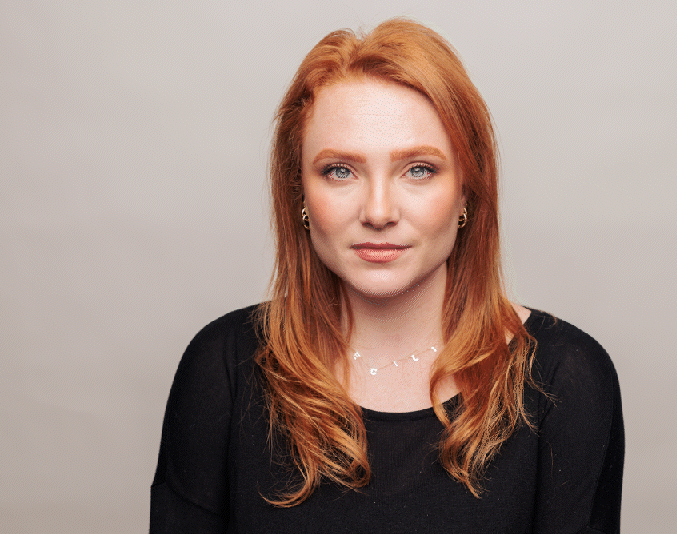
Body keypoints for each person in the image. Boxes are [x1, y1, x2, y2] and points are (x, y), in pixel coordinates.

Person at [151, 18, 624, 533]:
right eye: (340, 170)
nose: (378, 211)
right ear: (299, 193)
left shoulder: (565, 381)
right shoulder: (223, 369)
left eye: (418, 169)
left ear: (468, 190)